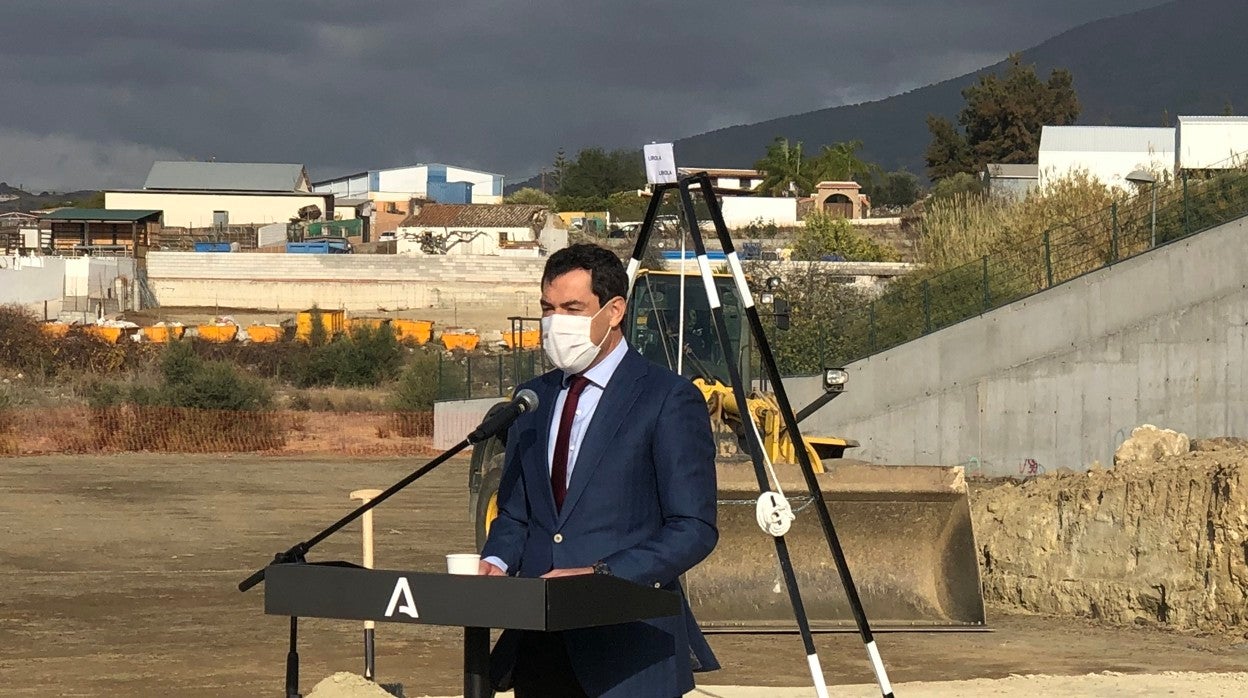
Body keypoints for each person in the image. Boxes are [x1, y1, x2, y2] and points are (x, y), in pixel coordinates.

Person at [480, 243, 720, 697]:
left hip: (629, 646)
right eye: (547, 309)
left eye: (573, 308)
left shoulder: (667, 398)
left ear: (614, 311)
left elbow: (693, 527)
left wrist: (602, 574)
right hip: (540, 645)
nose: (555, 322)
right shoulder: (532, 398)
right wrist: (495, 559)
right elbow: (516, 513)